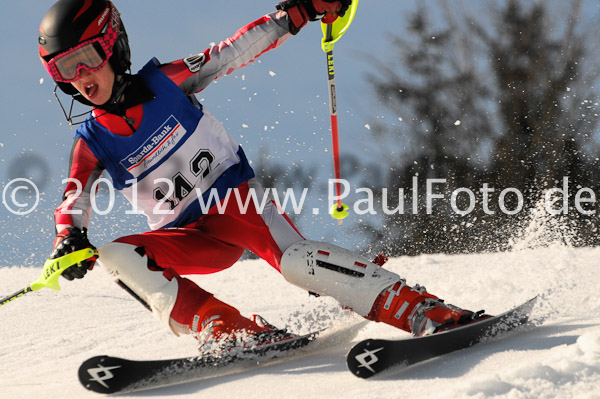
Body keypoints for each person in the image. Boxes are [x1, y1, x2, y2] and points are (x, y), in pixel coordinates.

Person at [39, 0, 484, 352]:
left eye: (86, 57)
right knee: (118, 257)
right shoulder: (93, 141)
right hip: (189, 235)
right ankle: (231, 331)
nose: (80, 77)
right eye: (64, 69)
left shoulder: (166, 83)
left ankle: (418, 309)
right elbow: (74, 195)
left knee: (296, 262)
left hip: (236, 202)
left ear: (112, 44)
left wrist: (299, 12)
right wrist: (69, 238)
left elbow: (231, 52)